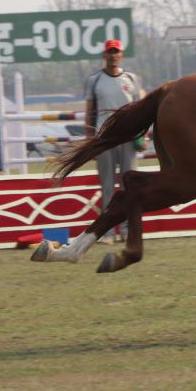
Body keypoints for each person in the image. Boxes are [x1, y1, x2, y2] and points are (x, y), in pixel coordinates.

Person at [84, 39, 145, 242]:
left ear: (121, 55)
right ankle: (107, 232)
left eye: (116, 52)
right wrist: (90, 140)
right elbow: (89, 112)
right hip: (105, 138)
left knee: (129, 186)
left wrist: (142, 135)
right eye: (110, 52)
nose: (113, 56)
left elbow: (141, 110)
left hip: (127, 137)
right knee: (107, 187)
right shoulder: (94, 80)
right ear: (104, 55)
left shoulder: (132, 79)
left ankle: (127, 230)